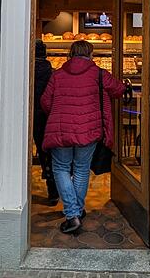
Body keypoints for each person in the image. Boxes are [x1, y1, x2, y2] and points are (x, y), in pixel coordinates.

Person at [41, 40, 126, 233]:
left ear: (70, 54)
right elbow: (119, 89)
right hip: (88, 131)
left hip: (61, 129)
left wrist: (59, 114)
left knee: (61, 168)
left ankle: (73, 215)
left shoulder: (58, 75)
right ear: (90, 55)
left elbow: (45, 102)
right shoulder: (99, 74)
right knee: (81, 169)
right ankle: (75, 212)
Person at [33, 40, 59, 205]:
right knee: (46, 152)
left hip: (27, 114)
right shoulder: (52, 73)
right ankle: (53, 190)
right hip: (45, 115)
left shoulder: (25, 70)